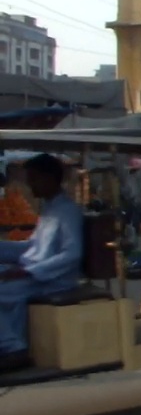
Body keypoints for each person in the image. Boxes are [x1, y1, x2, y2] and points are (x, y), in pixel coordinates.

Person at [0, 154, 84, 373]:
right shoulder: (49, 209)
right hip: (34, 274)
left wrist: (29, 271)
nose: (30, 184)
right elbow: (33, 246)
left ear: (50, 179)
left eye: (34, 179)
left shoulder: (68, 211)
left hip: (53, 279)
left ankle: (13, 348)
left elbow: (72, 254)